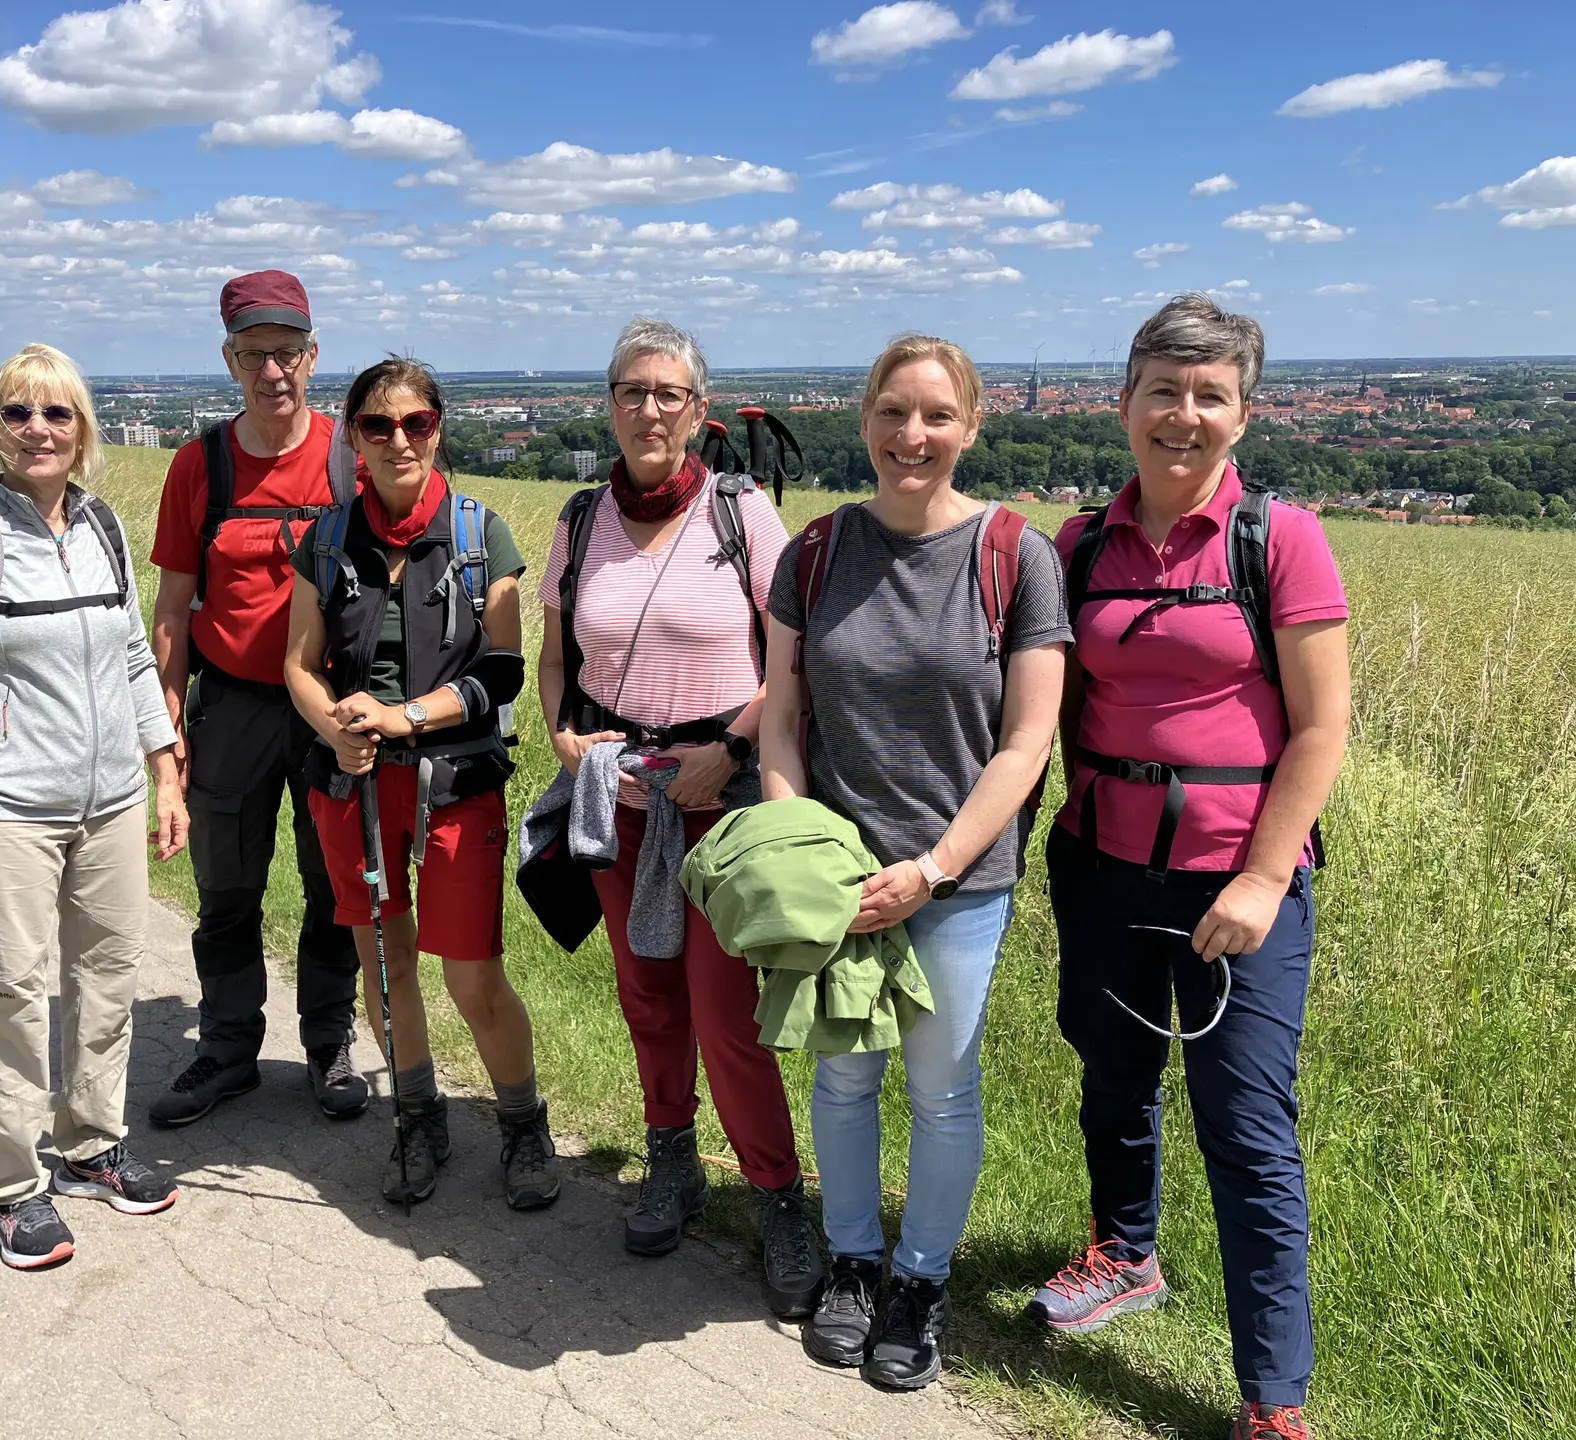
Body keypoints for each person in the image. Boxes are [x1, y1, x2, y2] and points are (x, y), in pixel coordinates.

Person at [1028, 295, 1349, 1440]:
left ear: (1242, 417)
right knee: (1112, 1079)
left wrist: (1263, 881)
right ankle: (1126, 1252)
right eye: (1164, 390)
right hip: (1105, 868)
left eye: (1210, 394)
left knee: (1247, 1127)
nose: (1184, 415)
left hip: (1239, 887)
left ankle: (1274, 1398)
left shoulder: (1280, 539)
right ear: (1124, 405)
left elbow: (1321, 727)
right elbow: (1036, 712)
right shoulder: (1075, 546)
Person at [759, 334, 1070, 1388]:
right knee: (844, 1083)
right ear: (865, 420)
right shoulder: (814, 554)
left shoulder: (1015, 556)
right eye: (894, 412)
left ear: (972, 427)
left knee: (942, 1092)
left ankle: (921, 1280)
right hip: (838, 881)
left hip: (957, 887)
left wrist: (930, 872)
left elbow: (1027, 743)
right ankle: (853, 1262)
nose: (913, 435)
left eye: (937, 415)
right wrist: (807, 857)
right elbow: (781, 719)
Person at [535, 316, 823, 1317]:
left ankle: (779, 1196)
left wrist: (734, 750)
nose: (650, 409)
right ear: (608, 406)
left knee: (725, 1012)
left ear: (699, 413)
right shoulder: (578, 522)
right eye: (632, 392)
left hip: (723, 806)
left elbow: (791, 663)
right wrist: (564, 737)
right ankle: (672, 1162)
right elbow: (557, 659)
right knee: (647, 994)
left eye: (669, 394)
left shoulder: (743, 515)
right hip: (618, 802)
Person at [0, 343, 189, 1270]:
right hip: (5, 806)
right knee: (15, 994)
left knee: (109, 975)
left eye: (57, 414)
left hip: (109, 802)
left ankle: (93, 1142)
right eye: (19, 412)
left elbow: (137, 660)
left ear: (83, 431)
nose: (38, 430)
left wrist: (165, 770)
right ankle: (13, 1188)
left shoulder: (103, 525)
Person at [284, 357, 559, 1209]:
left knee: (471, 974)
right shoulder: (327, 541)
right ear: (355, 437)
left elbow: (504, 672)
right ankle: (418, 1117)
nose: (399, 440)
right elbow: (298, 664)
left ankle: (523, 1125)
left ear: (438, 426)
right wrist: (337, 726)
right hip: (353, 785)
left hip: (454, 781)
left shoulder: (482, 537)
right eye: (378, 425)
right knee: (383, 956)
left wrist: (404, 719)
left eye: (416, 423)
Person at [147, 270, 367, 1127]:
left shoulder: (349, 456)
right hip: (230, 701)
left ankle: (328, 1044)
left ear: (313, 356)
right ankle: (228, 1050)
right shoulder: (200, 464)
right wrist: (167, 722)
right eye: (253, 355)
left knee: (331, 882)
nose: (272, 371)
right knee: (227, 889)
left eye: (287, 353)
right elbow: (171, 606)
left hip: (326, 706)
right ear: (230, 361)